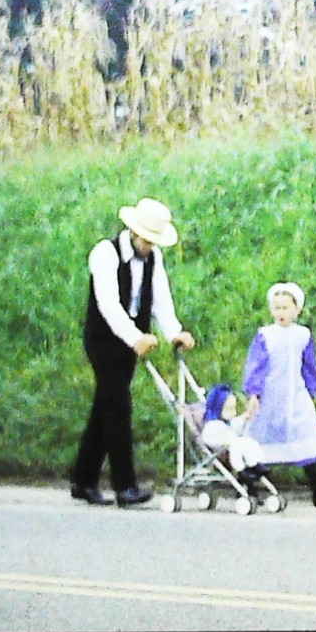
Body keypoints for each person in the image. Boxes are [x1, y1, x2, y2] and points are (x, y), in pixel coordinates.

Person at [71, 198, 195, 508]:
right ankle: (125, 486)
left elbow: (161, 299)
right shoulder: (105, 253)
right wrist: (134, 336)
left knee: (105, 405)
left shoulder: (154, 258)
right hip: (105, 337)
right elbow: (108, 304)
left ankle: (83, 479)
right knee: (118, 406)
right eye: (147, 240)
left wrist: (173, 332)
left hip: (135, 337)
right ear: (133, 231)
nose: (150, 247)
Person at [243, 282, 316, 506]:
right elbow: (256, 366)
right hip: (270, 395)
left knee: (304, 436)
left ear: (296, 309)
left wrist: (312, 390)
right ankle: (250, 485)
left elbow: (309, 365)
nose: (281, 313)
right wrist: (254, 393)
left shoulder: (302, 335)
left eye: (285, 308)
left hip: (296, 394)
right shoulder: (266, 335)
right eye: (277, 308)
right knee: (260, 441)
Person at [200, 382, 267, 492]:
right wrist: (222, 442)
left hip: (235, 445)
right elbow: (206, 438)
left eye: (234, 409)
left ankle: (255, 464)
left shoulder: (227, 424)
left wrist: (244, 418)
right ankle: (242, 470)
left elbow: (235, 425)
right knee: (237, 445)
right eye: (229, 409)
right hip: (225, 451)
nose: (233, 413)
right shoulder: (212, 426)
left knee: (249, 442)